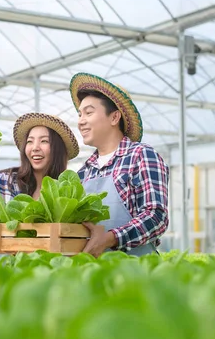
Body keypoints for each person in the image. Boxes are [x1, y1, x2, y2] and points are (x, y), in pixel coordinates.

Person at [69, 72, 170, 257]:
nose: (80, 121)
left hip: (137, 271)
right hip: (93, 274)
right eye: (79, 114)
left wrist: (110, 239)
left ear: (115, 117)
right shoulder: (83, 173)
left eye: (89, 113)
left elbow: (156, 216)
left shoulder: (141, 156)